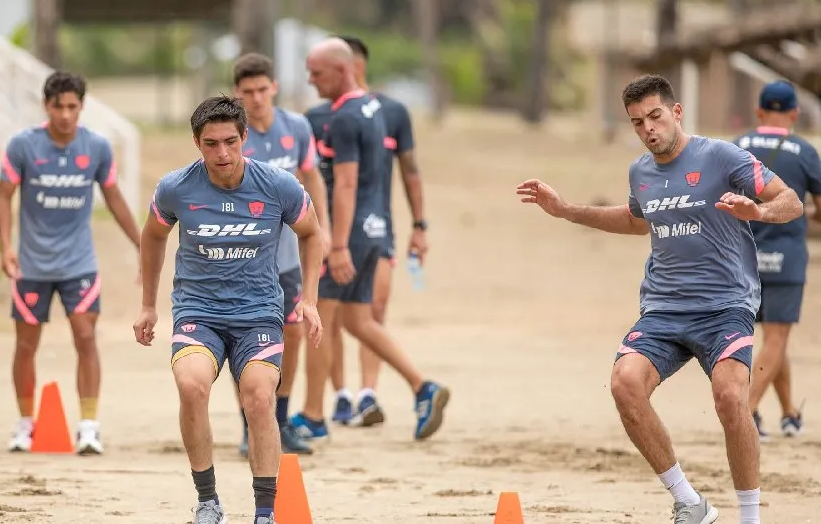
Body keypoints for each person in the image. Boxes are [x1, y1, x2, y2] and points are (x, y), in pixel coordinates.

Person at [516, 74, 803, 524]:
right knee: (624, 383)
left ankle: (750, 517)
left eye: (655, 116)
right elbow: (636, 220)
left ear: (676, 112)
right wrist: (567, 210)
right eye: (637, 122)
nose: (649, 129)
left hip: (724, 306)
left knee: (731, 398)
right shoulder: (640, 172)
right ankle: (690, 502)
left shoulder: (721, 156)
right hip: (664, 309)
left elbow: (792, 201)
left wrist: (760, 211)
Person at [133, 94, 324, 524]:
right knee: (191, 386)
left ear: (244, 138)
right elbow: (152, 236)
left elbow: (313, 234)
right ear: (197, 144)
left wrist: (308, 299)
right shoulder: (176, 188)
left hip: (258, 314)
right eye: (211, 144)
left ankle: (264, 512)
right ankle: (208, 502)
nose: (222, 154)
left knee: (259, 398)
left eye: (230, 143)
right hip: (198, 313)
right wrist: (148, 304)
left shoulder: (278, 185)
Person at [289, 37, 449, 443]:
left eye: (316, 72)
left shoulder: (343, 117)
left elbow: (344, 184)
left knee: (317, 319)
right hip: (377, 228)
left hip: (351, 233)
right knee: (360, 321)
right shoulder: (375, 109)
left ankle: (311, 415)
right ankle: (422, 387)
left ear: (343, 70)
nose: (310, 80)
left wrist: (336, 243)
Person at [0, 70, 141, 456]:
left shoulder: (96, 147)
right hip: (32, 265)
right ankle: (26, 425)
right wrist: (5, 247)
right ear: (46, 106)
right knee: (26, 345)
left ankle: (89, 427)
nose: (64, 114)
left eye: (72, 106)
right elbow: (3, 195)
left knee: (85, 338)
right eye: (57, 106)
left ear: (82, 107)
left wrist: (144, 245)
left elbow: (114, 199)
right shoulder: (23, 146)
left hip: (79, 264)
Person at [316, 35, 428, 427]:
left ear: (351, 67)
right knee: (339, 318)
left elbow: (407, 172)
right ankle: (341, 396)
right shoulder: (318, 117)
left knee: (364, 312)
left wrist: (419, 225)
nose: (313, 81)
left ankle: (365, 395)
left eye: (319, 73)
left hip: (367, 232)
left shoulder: (387, 112)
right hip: (351, 230)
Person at [231, 52, 330, 458]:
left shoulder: (297, 127)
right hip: (244, 261)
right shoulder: (232, 136)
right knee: (245, 343)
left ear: (273, 87)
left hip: (288, 257)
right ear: (238, 95)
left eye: (262, 89)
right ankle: (248, 428)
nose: (256, 98)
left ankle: (281, 420)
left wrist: (321, 230)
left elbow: (313, 179)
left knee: (292, 335)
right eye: (248, 92)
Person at [733, 80, 821, 441]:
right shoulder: (804, 150)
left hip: (742, 256)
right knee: (777, 336)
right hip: (785, 255)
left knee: (770, 338)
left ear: (758, 113)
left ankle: (788, 413)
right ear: (795, 114)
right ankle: (746, 410)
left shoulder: (737, 146)